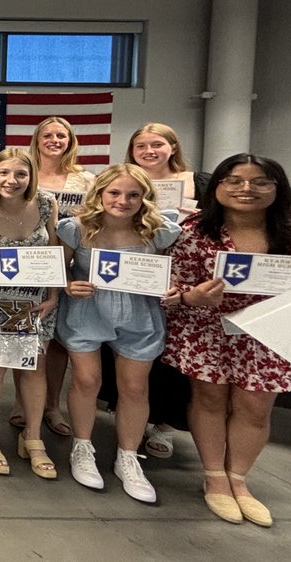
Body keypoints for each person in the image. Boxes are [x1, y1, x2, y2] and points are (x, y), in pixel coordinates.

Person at [162, 154, 291, 526]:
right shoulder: (194, 230)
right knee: (209, 400)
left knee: (256, 407)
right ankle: (214, 477)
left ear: (277, 188)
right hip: (208, 328)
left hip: (269, 333)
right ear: (218, 187)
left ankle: (239, 479)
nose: (247, 189)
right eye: (235, 181)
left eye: (260, 182)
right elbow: (173, 284)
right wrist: (192, 296)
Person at [56, 164, 180, 503]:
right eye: (114, 192)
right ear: (100, 193)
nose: (122, 201)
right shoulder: (77, 229)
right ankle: (82, 447)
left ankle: (128, 456)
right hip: (88, 311)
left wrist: (172, 287)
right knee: (85, 381)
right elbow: (58, 271)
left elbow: (172, 271)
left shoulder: (158, 231)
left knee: (135, 387)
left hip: (139, 313)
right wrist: (69, 284)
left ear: (144, 197)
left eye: (132, 195)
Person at [0, 149, 60, 478]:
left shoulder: (47, 204)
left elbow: (53, 252)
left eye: (20, 174)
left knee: (35, 367)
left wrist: (53, 296)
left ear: (30, 177)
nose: (11, 181)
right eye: (4, 173)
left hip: (37, 301)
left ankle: (33, 437)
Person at [115, 122, 198, 458]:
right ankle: (134, 421)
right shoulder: (124, 183)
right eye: (141, 146)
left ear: (173, 147)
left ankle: (164, 426)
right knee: (134, 360)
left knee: (175, 356)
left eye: (157, 144)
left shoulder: (198, 182)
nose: (149, 151)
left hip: (182, 276)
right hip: (135, 277)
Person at [19, 116, 97, 438]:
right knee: (29, 334)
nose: (54, 140)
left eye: (61, 136)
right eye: (47, 135)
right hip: (32, 262)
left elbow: (97, 219)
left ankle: (51, 405)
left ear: (70, 141)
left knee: (60, 341)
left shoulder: (86, 180)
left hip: (73, 264)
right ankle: (22, 405)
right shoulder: (24, 174)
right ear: (37, 139)